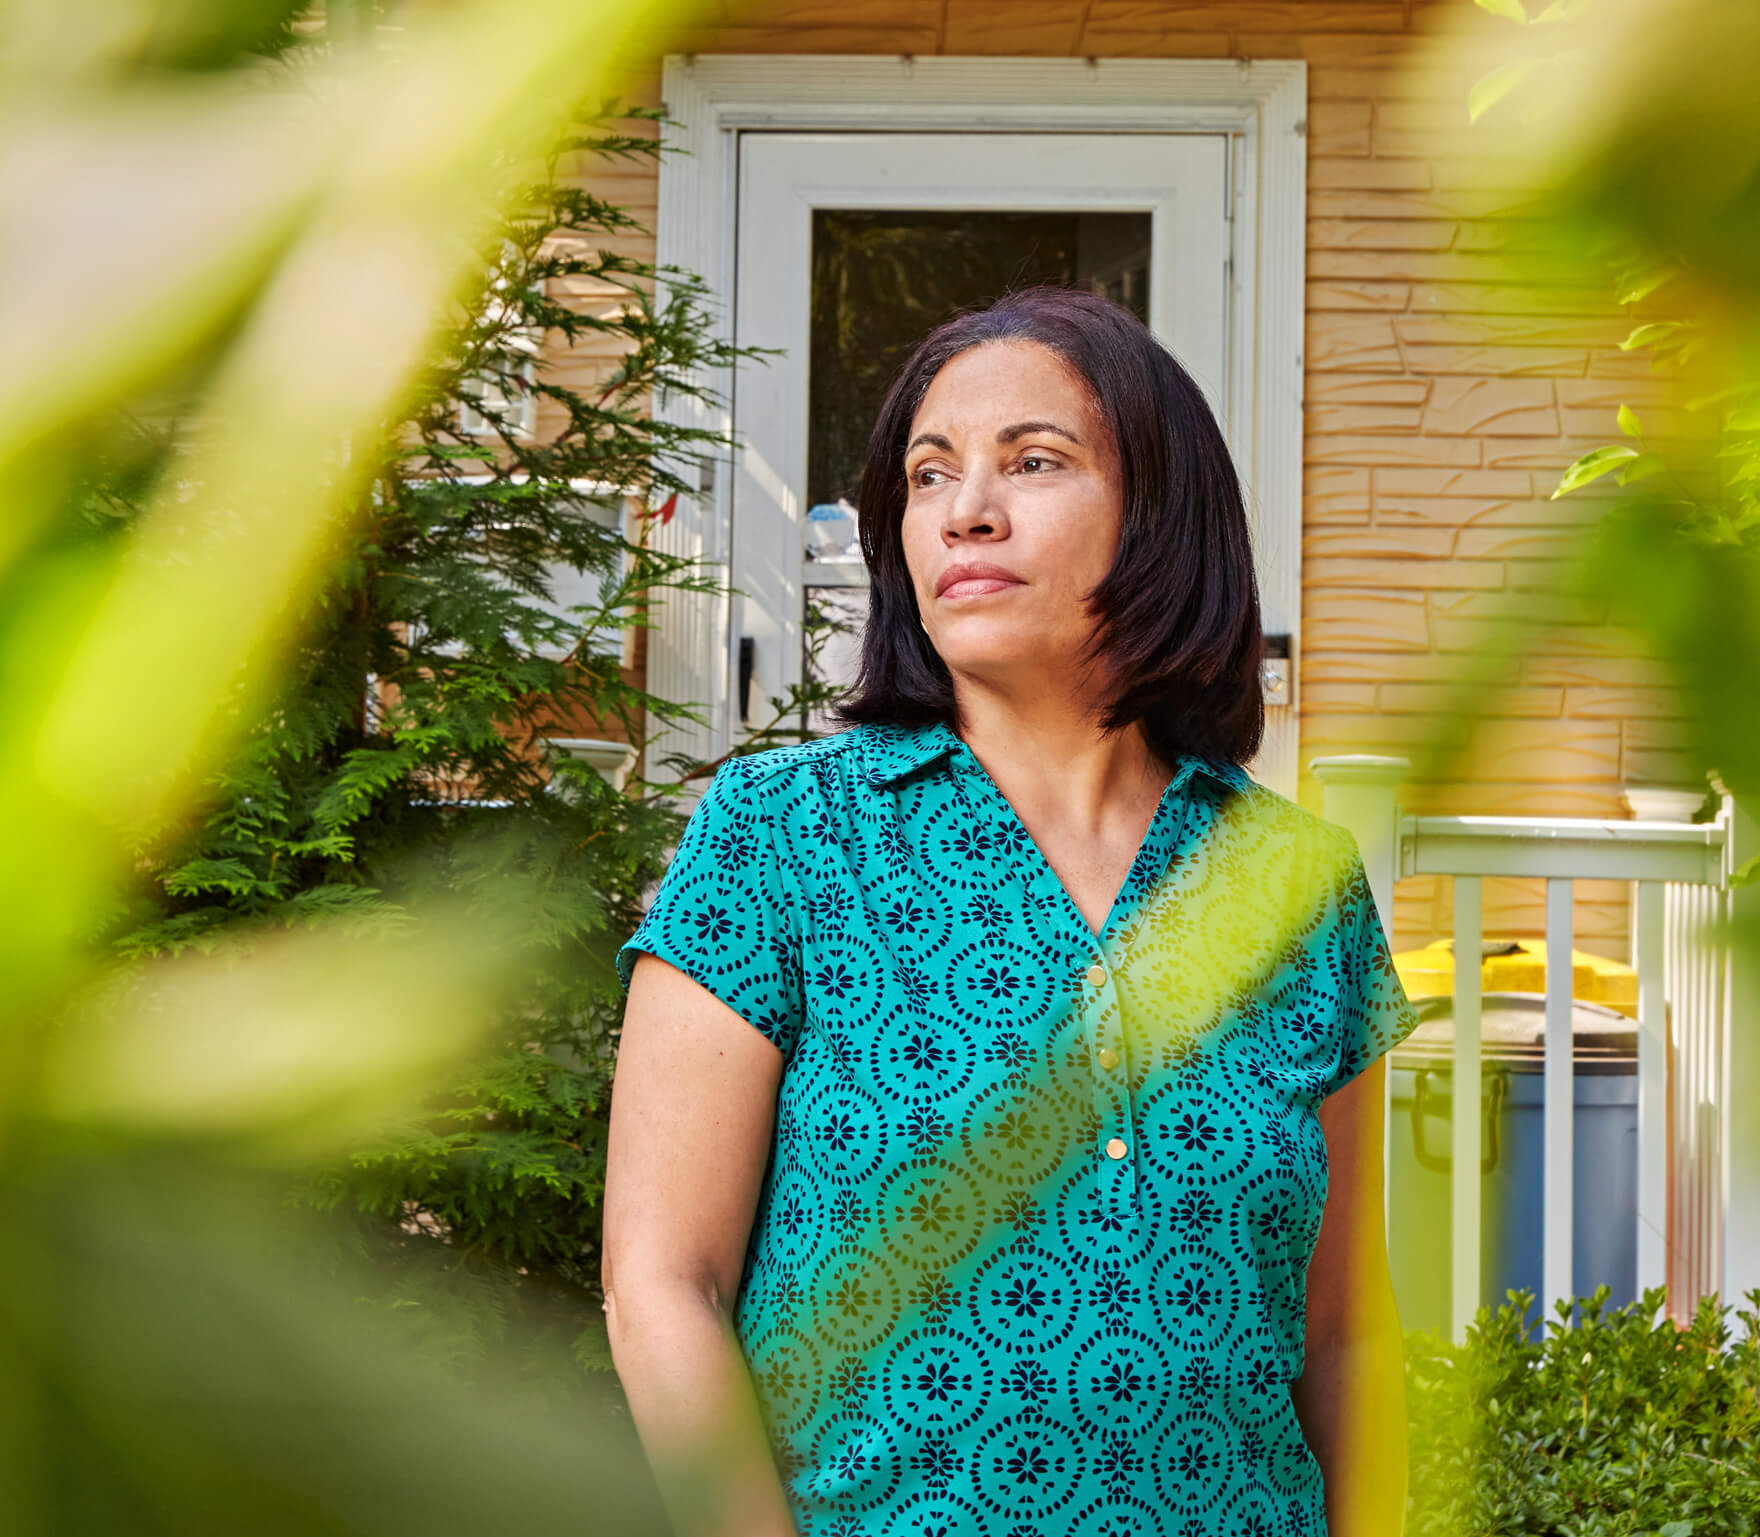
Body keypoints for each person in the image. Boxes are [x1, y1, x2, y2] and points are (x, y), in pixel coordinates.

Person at [601, 286, 1420, 1537]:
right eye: (928, 477)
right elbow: (663, 1282)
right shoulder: (780, 836)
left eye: (1031, 461)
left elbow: (1344, 1334)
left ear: (1160, 513)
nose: (963, 508)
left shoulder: (1296, 885)